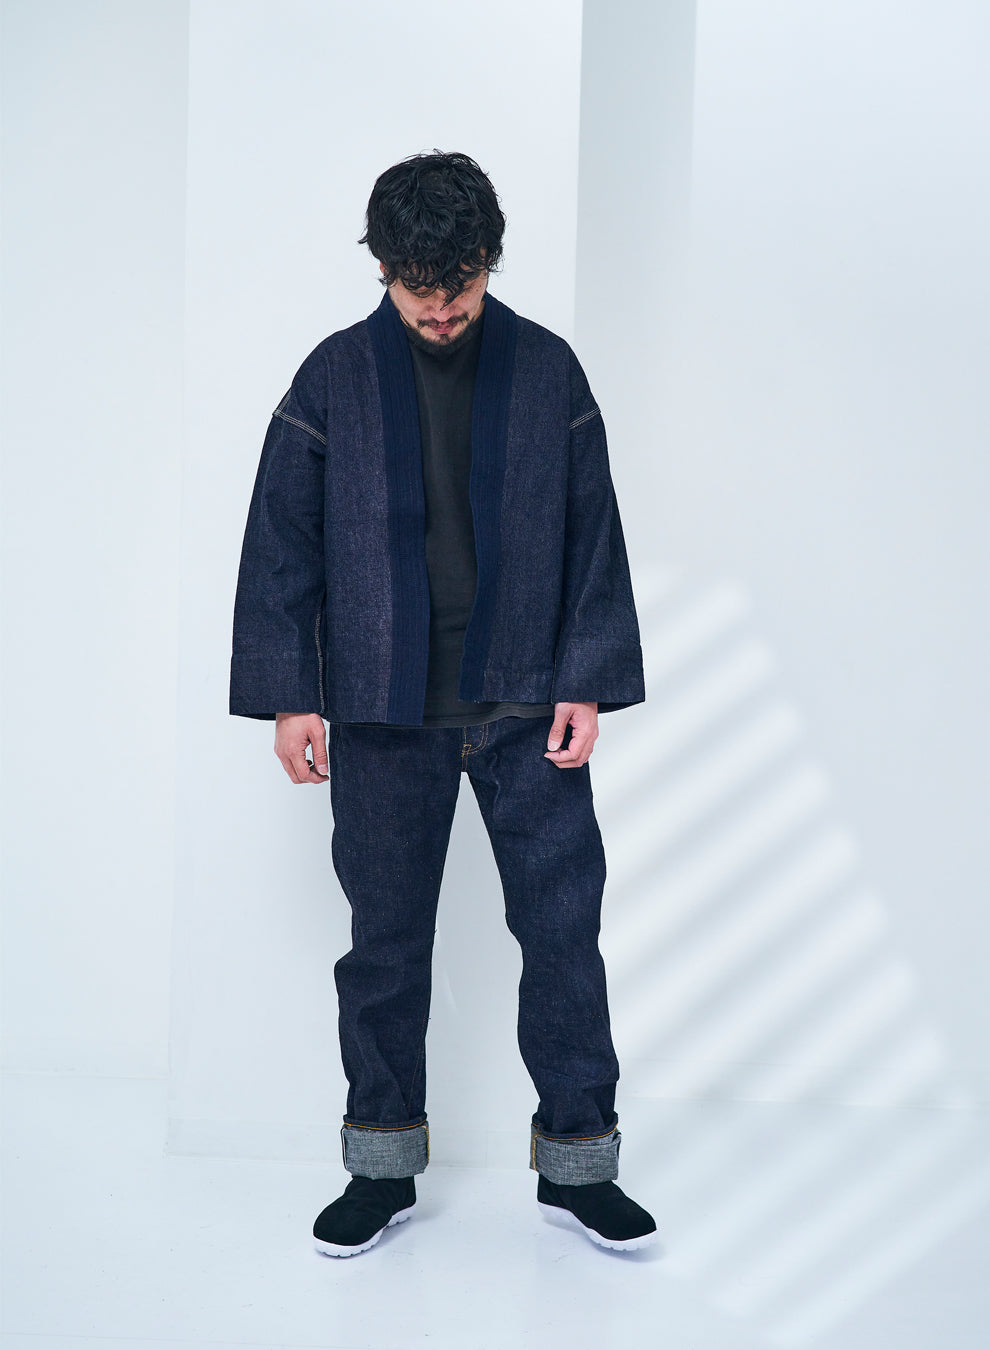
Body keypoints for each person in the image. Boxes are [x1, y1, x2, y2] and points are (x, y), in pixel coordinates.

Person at [229, 150, 657, 1257]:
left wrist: (585, 677)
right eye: (416, 287)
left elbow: (595, 532)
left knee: (563, 938)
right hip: (381, 712)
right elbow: (281, 544)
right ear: (381, 268)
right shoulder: (332, 377)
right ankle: (380, 1167)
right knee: (384, 950)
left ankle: (579, 1165)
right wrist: (291, 697)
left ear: (489, 261)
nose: (439, 308)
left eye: (458, 285)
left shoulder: (549, 371)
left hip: (526, 707)